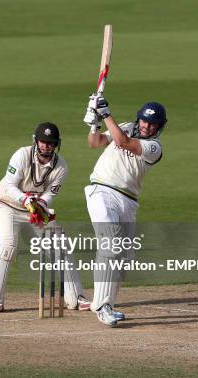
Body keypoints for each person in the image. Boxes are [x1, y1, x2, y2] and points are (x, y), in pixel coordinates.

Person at [0, 122, 90, 313]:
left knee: (60, 246)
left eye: (50, 143)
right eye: (43, 142)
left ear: (56, 144)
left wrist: (41, 204)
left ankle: (76, 297)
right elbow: (9, 186)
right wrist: (26, 200)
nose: (46, 146)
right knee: (8, 246)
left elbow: (50, 193)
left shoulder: (61, 166)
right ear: (36, 141)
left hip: (35, 208)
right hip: (7, 204)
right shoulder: (21, 155)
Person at [84, 94, 167, 326]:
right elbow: (95, 142)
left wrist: (105, 112)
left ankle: (103, 302)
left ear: (159, 127)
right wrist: (94, 121)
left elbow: (123, 143)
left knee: (123, 259)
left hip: (128, 200)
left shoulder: (154, 148)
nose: (146, 126)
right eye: (144, 121)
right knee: (110, 244)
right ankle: (103, 306)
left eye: (152, 124)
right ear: (138, 118)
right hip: (101, 191)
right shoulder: (126, 127)